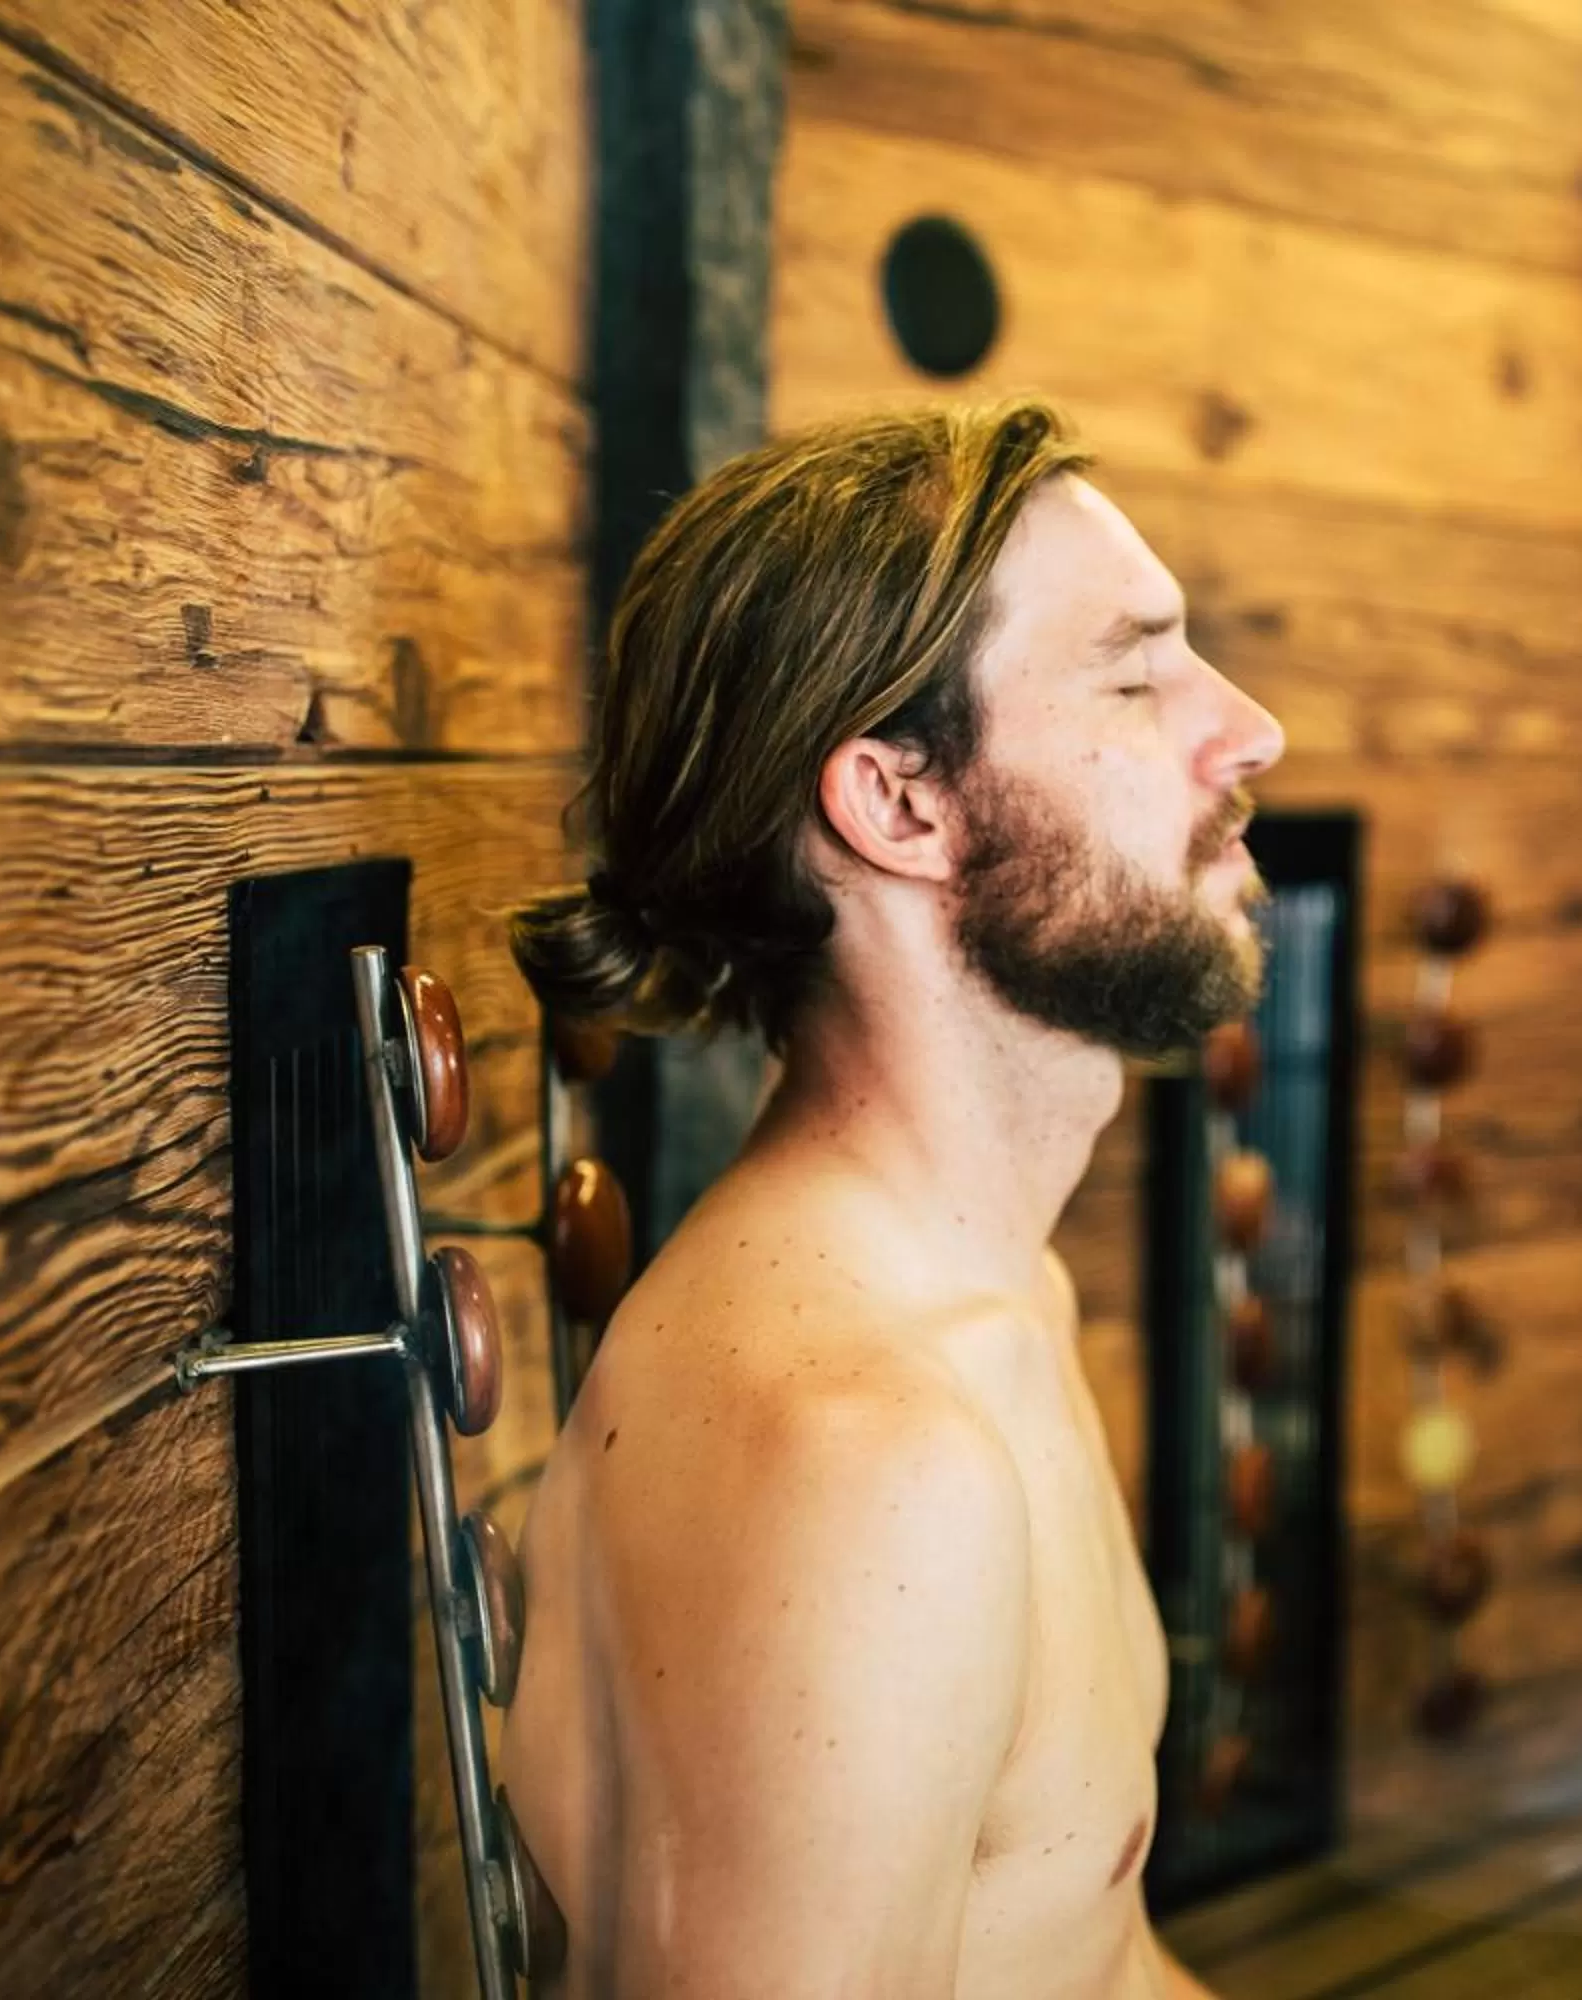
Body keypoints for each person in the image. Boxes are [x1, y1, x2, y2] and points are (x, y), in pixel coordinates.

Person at [500, 398, 1282, 1996]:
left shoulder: (993, 1296)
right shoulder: (858, 1462)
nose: (1250, 729)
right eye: (1135, 678)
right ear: (899, 806)